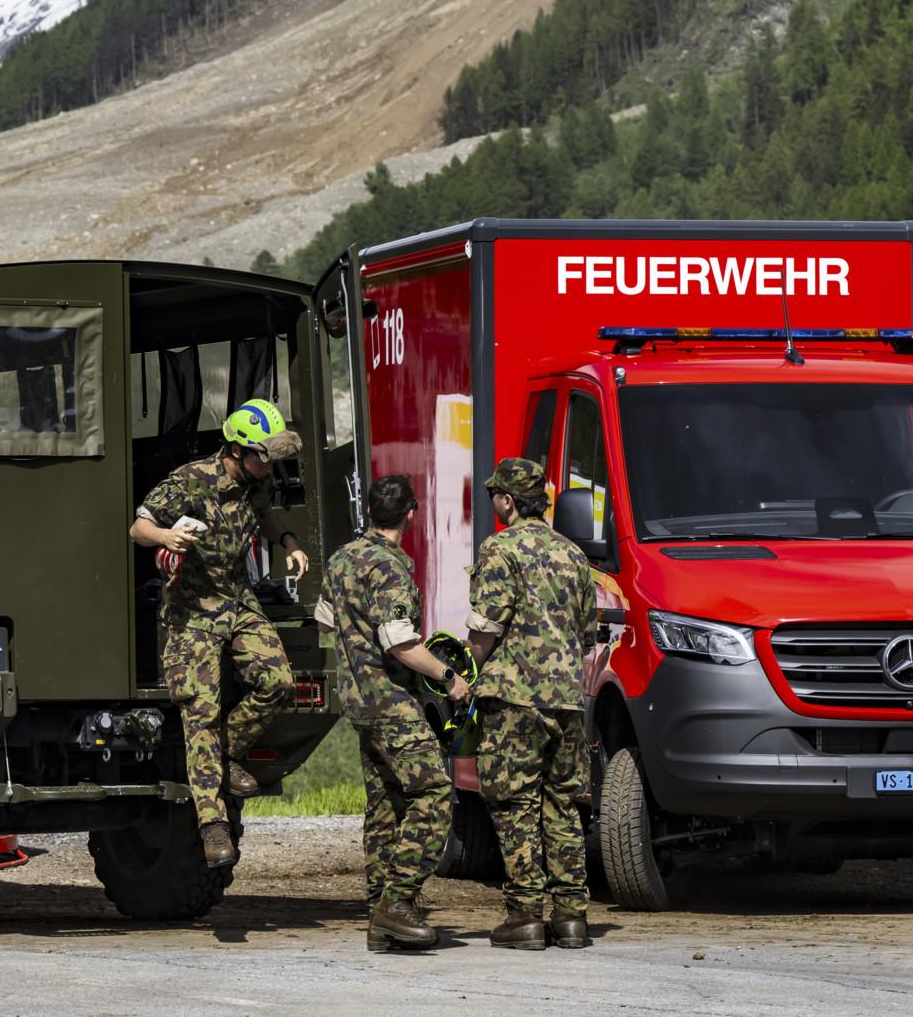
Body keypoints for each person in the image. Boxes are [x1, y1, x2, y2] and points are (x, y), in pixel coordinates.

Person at [129, 398, 307, 868]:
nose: (269, 470)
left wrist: (287, 541)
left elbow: (266, 513)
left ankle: (225, 753)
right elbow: (138, 526)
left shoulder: (255, 483)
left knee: (279, 684)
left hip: (236, 599)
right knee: (200, 715)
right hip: (192, 612)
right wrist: (165, 537)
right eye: (261, 459)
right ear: (235, 451)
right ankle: (213, 826)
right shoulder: (192, 480)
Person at [317, 474, 470, 952]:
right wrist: (450, 678)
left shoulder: (342, 558)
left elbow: (325, 618)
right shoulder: (389, 567)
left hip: (359, 702)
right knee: (434, 794)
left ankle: (378, 918)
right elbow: (401, 643)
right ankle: (397, 902)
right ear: (409, 514)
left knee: (384, 805)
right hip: (391, 702)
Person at [467, 457, 598, 951]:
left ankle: (525, 915)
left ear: (507, 501)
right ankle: (571, 918)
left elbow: (485, 628)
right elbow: (587, 633)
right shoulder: (573, 555)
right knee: (562, 805)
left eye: (494, 496)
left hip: (514, 701)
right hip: (566, 700)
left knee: (514, 805)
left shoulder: (499, 550)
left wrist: (467, 674)